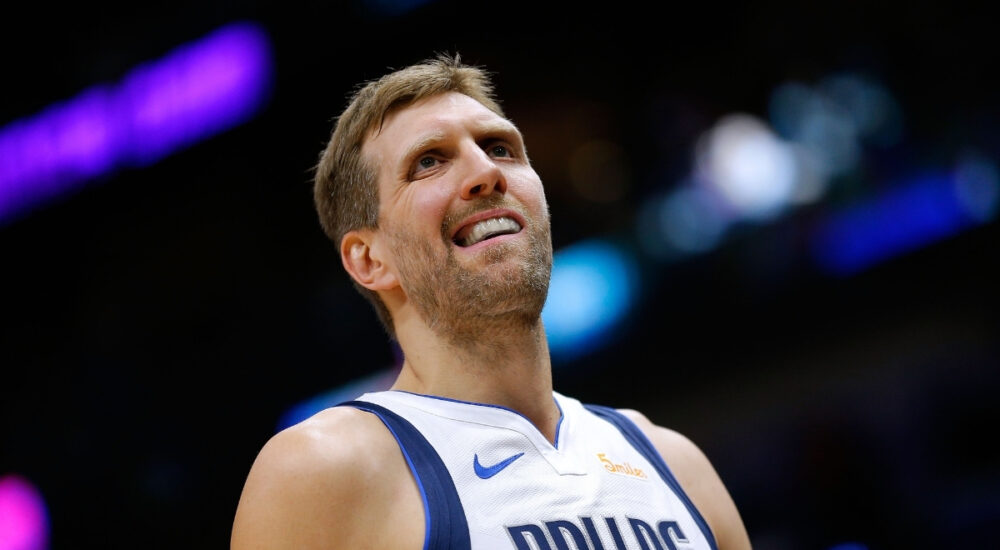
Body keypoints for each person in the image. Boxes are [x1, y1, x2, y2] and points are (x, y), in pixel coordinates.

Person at [231, 52, 752, 550]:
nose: (487, 172)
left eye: (500, 148)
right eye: (429, 162)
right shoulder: (324, 471)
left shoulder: (674, 463)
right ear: (369, 259)